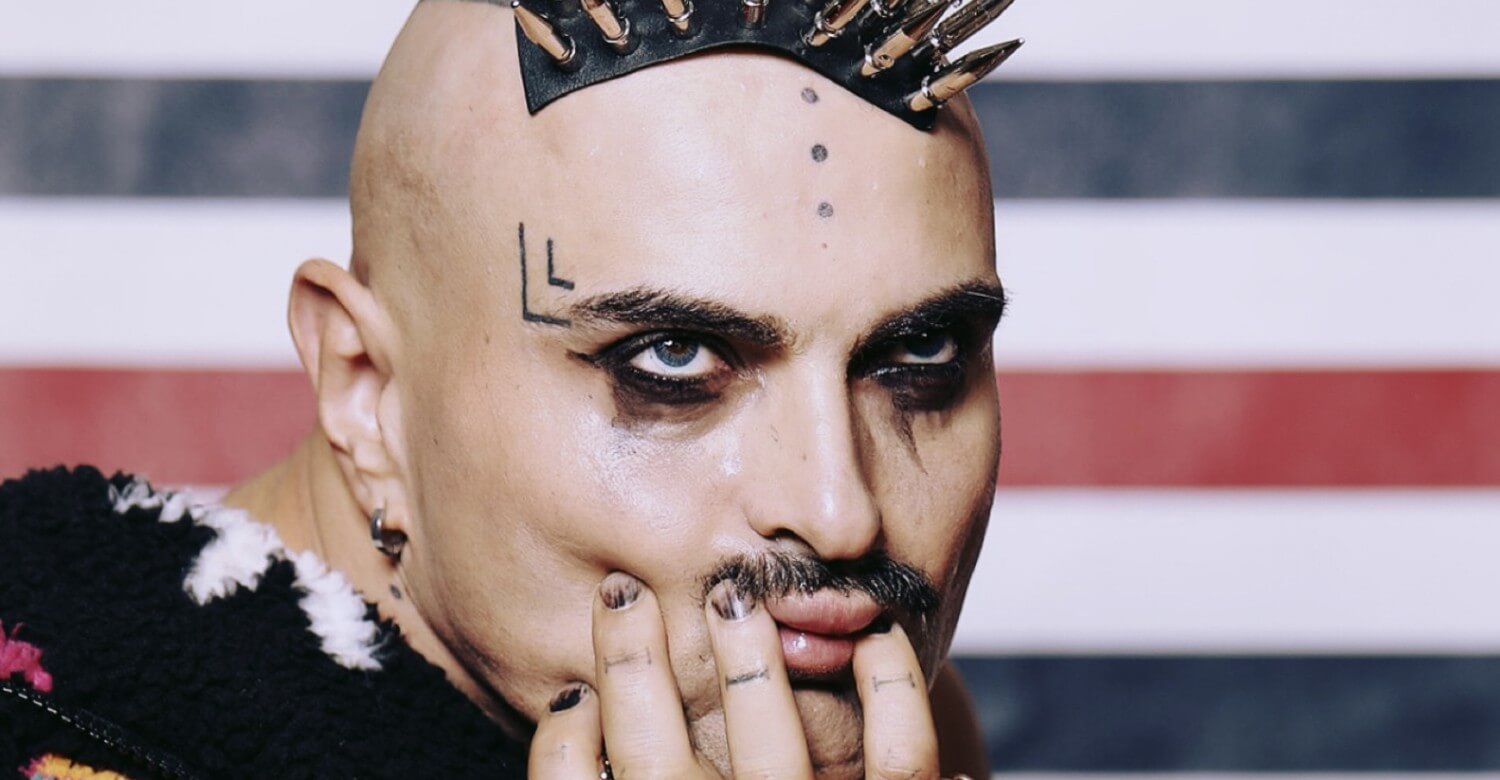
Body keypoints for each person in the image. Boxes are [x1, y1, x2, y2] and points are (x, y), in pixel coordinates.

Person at [0, 0, 1009, 776]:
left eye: (922, 351)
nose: (839, 513)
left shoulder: (872, 724)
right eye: (673, 360)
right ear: (364, 390)